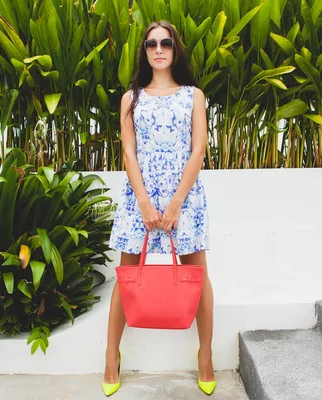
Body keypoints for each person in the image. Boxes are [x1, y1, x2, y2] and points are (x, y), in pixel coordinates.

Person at [102, 20, 216, 396]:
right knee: (127, 271)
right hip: (141, 197)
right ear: (145, 52)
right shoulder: (130, 98)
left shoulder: (193, 96)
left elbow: (198, 149)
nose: (158, 48)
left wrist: (177, 203)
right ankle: (110, 355)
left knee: (196, 272)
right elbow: (128, 152)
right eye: (151, 44)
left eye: (165, 42)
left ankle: (206, 355)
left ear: (175, 48)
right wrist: (145, 203)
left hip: (185, 196)